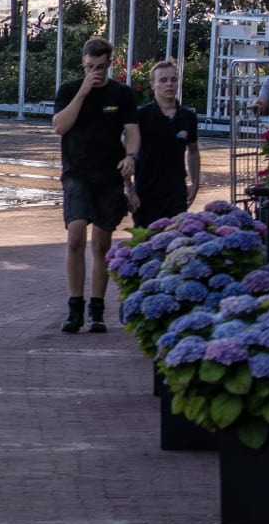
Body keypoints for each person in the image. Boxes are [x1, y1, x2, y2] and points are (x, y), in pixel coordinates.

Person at [51, 37, 141, 333]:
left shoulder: (123, 95)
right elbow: (60, 127)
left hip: (109, 176)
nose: (96, 72)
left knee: (101, 243)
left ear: (110, 64)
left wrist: (130, 156)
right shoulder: (68, 91)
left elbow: (132, 131)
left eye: (101, 67)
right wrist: (83, 91)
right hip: (77, 173)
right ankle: (74, 306)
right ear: (83, 63)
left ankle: (97, 309)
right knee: (75, 235)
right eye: (90, 67)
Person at [133, 59, 200, 228]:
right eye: (163, 80)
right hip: (146, 191)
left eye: (173, 79)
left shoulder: (187, 117)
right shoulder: (141, 116)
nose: (169, 84)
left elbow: (193, 151)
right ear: (153, 85)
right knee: (145, 244)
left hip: (176, 191)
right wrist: (128, 187)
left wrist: (195, 182)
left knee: (174, 240)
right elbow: (125, 151)